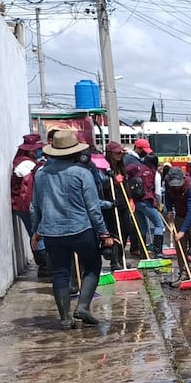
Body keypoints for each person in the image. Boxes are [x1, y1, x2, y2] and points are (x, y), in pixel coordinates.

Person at [30, 131, 114, 328]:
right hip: (81, 229)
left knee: (60, 273)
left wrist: (36, 231)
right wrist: (104, 233)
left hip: (52, 232)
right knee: (92, 266)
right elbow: (93, 208)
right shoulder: (82, 173)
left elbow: (35, 206)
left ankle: (65, 319)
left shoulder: (41, 174)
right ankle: (83, 306)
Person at [11, 133, 49, 276]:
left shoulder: (28, 163)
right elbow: (27, 188)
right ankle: (44, 265)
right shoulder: (24, 164)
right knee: (36, 234)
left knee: (37, 234)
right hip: (26, 205)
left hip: (28, 204)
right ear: (31, 150)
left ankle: (45, 265)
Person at [164, 166, 191, 279]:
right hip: (179, 214)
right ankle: (184, 273)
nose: (177, 187)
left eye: (178, 184)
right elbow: (167, 196)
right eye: (174, 185)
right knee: (180, 245)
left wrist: (182, 231)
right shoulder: (167, 181)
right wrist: (168, 209)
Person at [126, 152, 167, 258]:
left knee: (142, 227)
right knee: (159, 225)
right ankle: (158, 252)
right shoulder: (155, 173)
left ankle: (143, 252)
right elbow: (157, 192)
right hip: (147, 201)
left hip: (136, 202)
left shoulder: (138, 168)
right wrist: (159, 204)